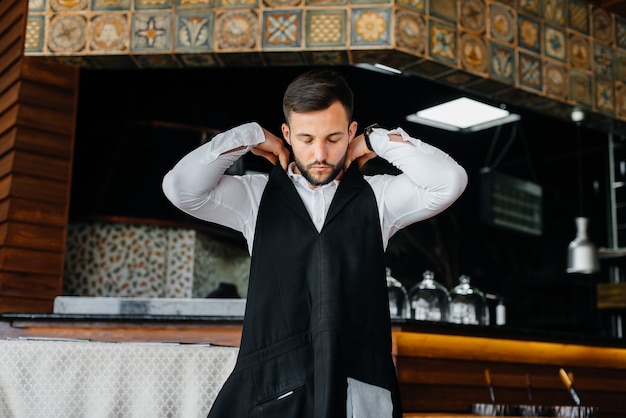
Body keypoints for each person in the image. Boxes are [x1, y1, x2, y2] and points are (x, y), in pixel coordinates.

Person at [162, 69, 468, 418]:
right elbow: (181, 188)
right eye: (306, 139)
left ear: (351, 132)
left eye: (334, 138)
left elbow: (449, 181)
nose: (320, 153)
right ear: (287, 135)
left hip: (357, 387)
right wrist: (248, 135)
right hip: (275, 389)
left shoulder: (379, 197)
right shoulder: (255, 197)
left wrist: (377, 140)